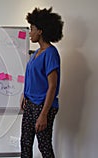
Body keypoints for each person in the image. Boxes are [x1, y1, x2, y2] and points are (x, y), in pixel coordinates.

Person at [20, 7, 64, 158]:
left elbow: (52, 86)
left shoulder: (51, 53)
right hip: (30, 104)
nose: (29, 33)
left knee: (44, 146)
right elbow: (32, 78)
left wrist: (44, 114)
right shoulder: (35, 54)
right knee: (25, 143)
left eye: (32, 29)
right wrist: (24, 94)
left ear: (40, 31)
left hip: (43, 106)